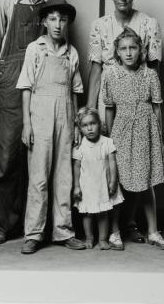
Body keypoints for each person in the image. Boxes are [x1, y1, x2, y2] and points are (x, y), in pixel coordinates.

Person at [0, 0, 66, 244]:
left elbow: (63, 42)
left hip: (46, 80)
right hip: (11, 79)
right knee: (8, 153)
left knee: (41, 153)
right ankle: (3, 223)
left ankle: (36, 226)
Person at [87, 0, 162, 242]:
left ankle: (131, 223)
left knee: (138, 163)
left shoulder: (149, 23)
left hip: (138, 101)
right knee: (112, 162)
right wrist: (88, 109)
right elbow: (96, 68)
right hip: (110, 96)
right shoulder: (100, 25)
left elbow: (152, 68)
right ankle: (109, 226)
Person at [16, 0, 86, 254]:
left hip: (66, 115)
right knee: (38, 176)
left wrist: (77, 125)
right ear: (44, 21)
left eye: (63, 19)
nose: (58, 25)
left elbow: (76, 91)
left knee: (64, 176)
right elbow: (25, 88)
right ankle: (33, 234)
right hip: (40, 115)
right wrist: (27, 124)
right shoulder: (36, 48)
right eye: (53, 19)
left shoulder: (72, 52)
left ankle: (63, 231)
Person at [103, 28, 164, 250]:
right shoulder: (110, 75)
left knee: (146, 182)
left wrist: (158, 137)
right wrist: (110, 140)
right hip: (121, 131)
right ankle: (114, 232)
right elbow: (110, 109)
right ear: (117, 52)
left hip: (145, 131)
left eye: (133, 48)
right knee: (119, 182)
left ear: (140, 50)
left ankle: (153, 231)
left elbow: (157, 108)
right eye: (123, 49)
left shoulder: (150, 74)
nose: (129, 53)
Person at [72, 107, 124, 250]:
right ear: (80, 128)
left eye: (92, 123)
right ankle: (89, 237)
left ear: (99, 124)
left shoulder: (107, 142)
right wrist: (76, 186)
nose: (89, 128)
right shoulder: (80, 146)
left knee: (103, 213)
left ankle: (102, 239)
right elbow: (76, 167)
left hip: (103, 184)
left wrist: (113, 181)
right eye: (85, 125)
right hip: (87, 185)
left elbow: (112, 162)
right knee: (87, 214)